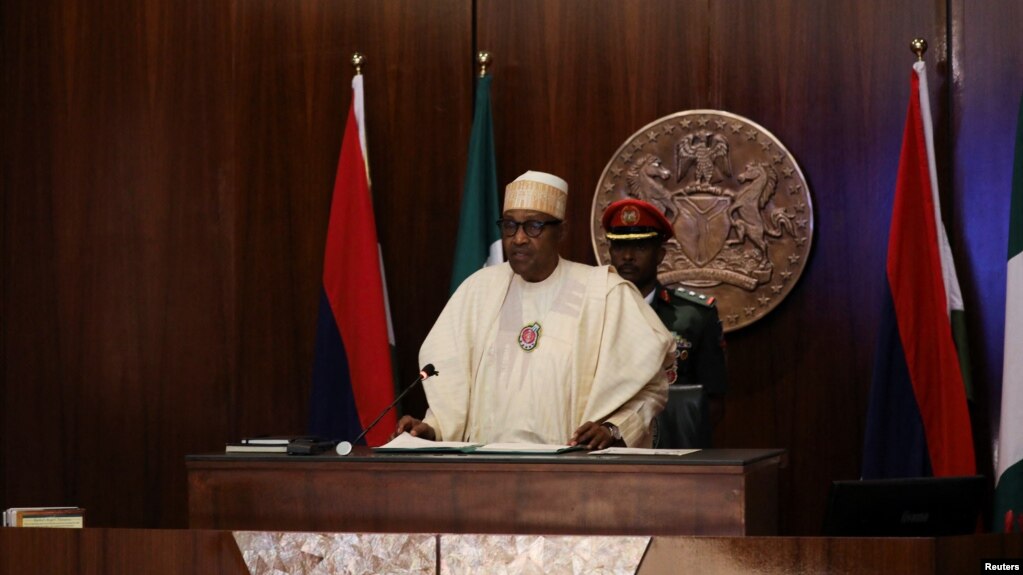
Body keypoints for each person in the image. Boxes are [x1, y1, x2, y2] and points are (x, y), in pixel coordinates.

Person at [395, 171, 673, 449]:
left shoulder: (605, 292)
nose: (518, 239)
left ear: (560, 231)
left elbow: (653, 387)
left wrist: (612, 429)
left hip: (571, 474)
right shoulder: (478, 291)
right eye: (510, 226)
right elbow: (449, 385)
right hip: (484, 472)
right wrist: (432, 430)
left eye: (534, 226)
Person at [601, 198, 727, 441]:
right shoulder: (596, 312)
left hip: (673, 451)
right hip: (608, 448)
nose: (627, 256)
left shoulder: (695, 316)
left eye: (639, 247)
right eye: (619, 247)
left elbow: (712, 403)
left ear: (660, 255)